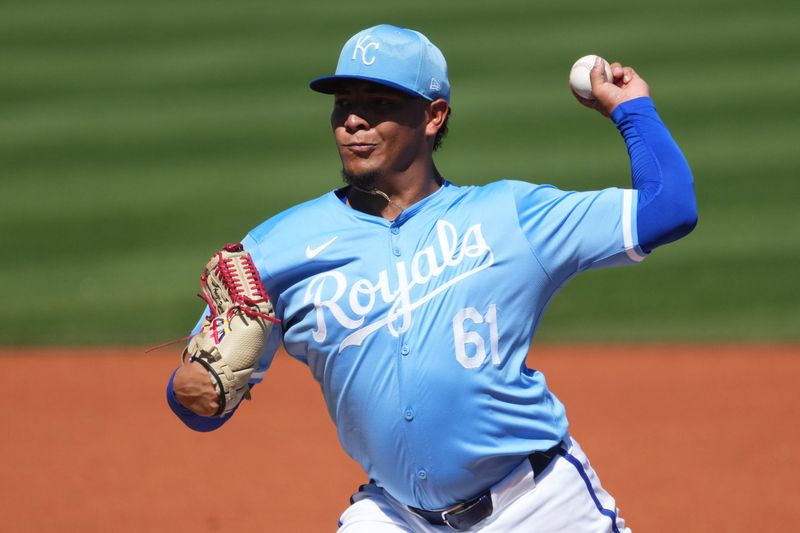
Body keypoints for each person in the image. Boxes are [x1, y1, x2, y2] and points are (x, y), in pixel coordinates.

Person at [166, 24, 697, 532]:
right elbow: (203, 404)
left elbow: (668, 207)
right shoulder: (277, 247)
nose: (353, 121)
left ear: (433, 116)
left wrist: (631, 111)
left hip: (537, 506)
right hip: (394, 516)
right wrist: (190, 393)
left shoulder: (510, 217)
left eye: (378, 105)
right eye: (343, 103)